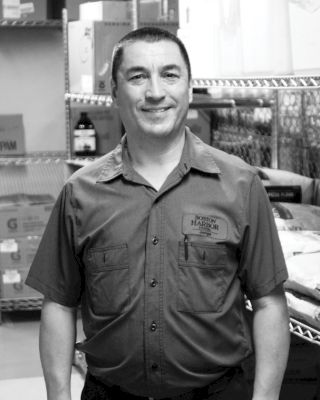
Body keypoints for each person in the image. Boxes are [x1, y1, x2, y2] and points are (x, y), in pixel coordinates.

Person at [26, 26, 290, 400]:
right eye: (137, 76)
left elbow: (268, 302)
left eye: (169, 74)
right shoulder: (80, 193)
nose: (155, 92)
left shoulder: (241, 185)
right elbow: (59, 304)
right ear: (115, 92)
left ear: (188, 86)